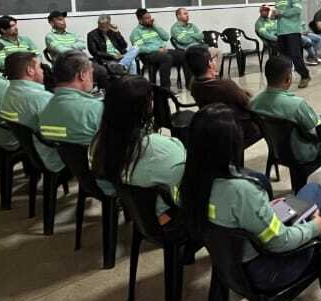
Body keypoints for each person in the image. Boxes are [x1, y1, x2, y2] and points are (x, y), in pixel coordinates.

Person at [178, 103, 321, 301]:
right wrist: (313, 229)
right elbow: (279, 242)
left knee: (313, 190)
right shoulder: (242, 190)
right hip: (266, 270)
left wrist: (262, 211)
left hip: (228, 263)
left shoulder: (190, 182)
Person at [91, 76, 187, 220]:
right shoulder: (164, 149)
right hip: (167, 219)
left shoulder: (97, 143)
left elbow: (108, 189)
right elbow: (184, 194)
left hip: (136, 213)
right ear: (146, 107)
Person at [250, 54, 321, 165]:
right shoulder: (296, 104)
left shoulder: (254, 101)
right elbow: (317, 134)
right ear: (288, 79)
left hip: (277, 149)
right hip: (304, 152)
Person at [35, 52, 103, 174]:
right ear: (82, 75)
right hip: (102, 177)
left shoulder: (45, 109)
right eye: (91, 73)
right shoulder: (96, 109)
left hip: (73, 169)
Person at [184, 44, 261, 146]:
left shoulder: (194, 85)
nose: (216, 61)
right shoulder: (226, 86)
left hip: (214, 129)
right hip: (240, 130)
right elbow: (249, 105)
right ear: (210, 64)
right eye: (213, 59)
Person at [0, 51, 53, 140]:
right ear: (30, 70)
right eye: (39, 67)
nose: (42, 70)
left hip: (28, 146)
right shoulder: (43, 98)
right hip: (49, 151)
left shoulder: (6, 93)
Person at [270, 0, 311, 87]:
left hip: (292, 31)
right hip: (281, 32)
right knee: (283, 58)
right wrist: (274, 16)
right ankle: (285, 79)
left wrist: (281, 13)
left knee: (295, 55)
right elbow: (279, 13)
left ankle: (305, 76)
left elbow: (297, 10)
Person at [130, 8, 183, 90]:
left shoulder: (153, 28)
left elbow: (166, 37)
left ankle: (190, 84)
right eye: (147, 18)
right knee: (167, 58)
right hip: (148, 55)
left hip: (161, 51)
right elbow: (140, 48)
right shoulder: (136, 32)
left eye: (150, 17)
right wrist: (157, 49)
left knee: (182, 54)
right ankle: (165, 89)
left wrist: (155, 26)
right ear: (140, 20)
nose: (150, 19)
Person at [170, 7, 219, 74]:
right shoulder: (175, 28)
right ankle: (207, 76)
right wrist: (194, 36)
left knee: (218, 52)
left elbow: (201, 36)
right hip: (190, 50)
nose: (187, 15)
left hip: (200, 47)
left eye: (187, 14)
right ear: (178, 16)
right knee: (206, 56)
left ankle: (215, 74)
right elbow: (184, 40)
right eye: (185, 14)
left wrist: (189, 35)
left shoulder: (192, 26)